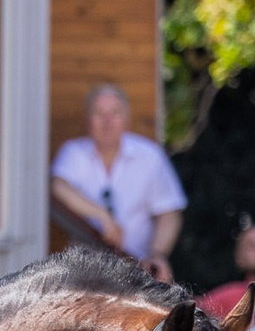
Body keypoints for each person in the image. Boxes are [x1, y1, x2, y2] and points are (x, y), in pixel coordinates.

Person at [49, 83, 186, 282]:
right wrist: (102, 215)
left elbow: (169, 214)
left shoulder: (150, 156)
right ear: (88, 120)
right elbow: (58, 187)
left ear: (127, 119)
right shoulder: (73, 153)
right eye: (99, 113)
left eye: (115, 113)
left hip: (137, 272)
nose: (107, 122)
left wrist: (157, 254)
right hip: (83, 272)